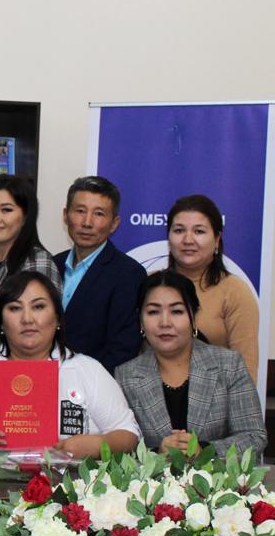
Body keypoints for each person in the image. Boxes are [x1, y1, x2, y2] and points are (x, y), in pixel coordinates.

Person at [0, 271, 140, 458]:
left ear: (57, 318)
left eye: (38, 307)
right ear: (0, 322)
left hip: (69, 478)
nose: (27, 319)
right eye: (15, 308)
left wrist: (99, 446)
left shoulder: (87, 370)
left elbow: (129, 434)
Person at [115, 271, 265, 456]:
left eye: (177, 311)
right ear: (140, 320)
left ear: (193, 316)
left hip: (218, 474)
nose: (165, 322)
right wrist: (155, 453)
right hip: (153, 475)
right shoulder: (125, 376)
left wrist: (205, 450)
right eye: (153, 312)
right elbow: (118, 449)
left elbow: (254, 436)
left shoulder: (229, 365)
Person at [53, 176, 145, 373]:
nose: (87, 222)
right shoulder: (51, 265)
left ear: (114, 223)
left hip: (93, 384)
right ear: (65, 215)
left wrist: (76, 381)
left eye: (99, 214)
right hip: (41, 380)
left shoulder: (128, 274)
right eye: (80, 211)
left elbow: (122, 349)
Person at [167, 194, 259, 382]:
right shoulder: (150, 284)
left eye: (199, 231)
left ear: (217, 239)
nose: (188, 239)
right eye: (179, 230)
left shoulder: (234, 291)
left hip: (214, 396)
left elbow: (246, 371)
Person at [0, 176, 61, 352]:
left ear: (25, 216)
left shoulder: (38, 262)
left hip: (16, 365)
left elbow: (41, 332)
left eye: (6, 210)